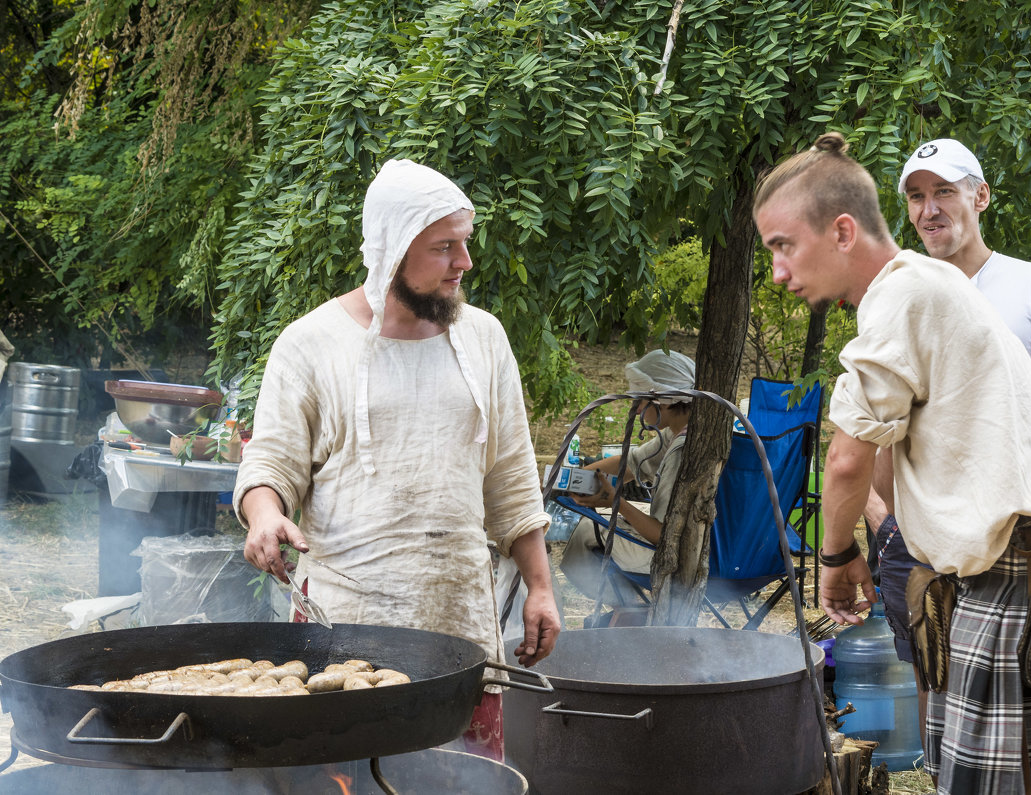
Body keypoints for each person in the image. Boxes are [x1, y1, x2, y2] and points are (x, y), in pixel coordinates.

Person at [754, 132, 1031, 794]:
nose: (779, 272)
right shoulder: (922, 284)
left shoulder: (905, 297)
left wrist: (836, 557)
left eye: (783, 246)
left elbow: (847, 458)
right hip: (1028, 570)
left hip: (1019, 577)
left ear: (842, 231)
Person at [235, 159, 560, 762]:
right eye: (444, 247)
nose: (464, 262)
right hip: (344, 625)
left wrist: (540, 586)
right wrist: (263, 516)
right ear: (391, 250)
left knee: (463, 780)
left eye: (465, 243)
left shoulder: (485, 338)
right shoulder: (310, 344)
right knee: (350, 775)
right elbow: (270, 467)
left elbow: (512, 479)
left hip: (459, 617)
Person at [863, 137, 1031, 741]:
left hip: (1010, 532)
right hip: (920, 538)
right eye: (916, 197)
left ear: (980, 197)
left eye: (944, 192)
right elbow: (876, 425)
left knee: (1018, 694)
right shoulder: (899, 291)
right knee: (934, 683)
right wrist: (886, 524)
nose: (929, 209)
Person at [559, 349, 695, 604]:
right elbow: (630, 464)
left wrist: (616, 503)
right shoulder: (683, 432)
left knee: (587, 531)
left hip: (683, 556)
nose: (635, 410)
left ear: (663, 400)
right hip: (723, 553)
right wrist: (570, 479)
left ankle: (635, 611)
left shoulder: (682, 451)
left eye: (640, 401)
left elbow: (663, 534)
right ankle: (634, 611)